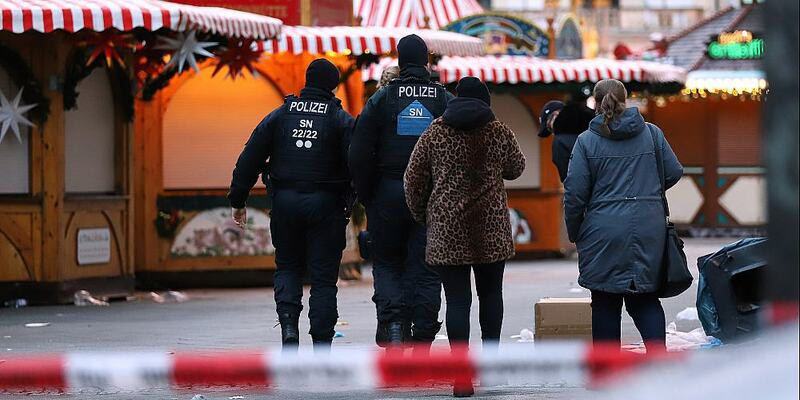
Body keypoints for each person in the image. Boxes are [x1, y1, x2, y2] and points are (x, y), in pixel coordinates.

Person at [405, 77, 525, 397]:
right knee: (490, 296)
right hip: (490, 227)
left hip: (447, 229)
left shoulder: (435, 132)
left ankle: (461, 378)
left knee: (457, 301)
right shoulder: (498, 131)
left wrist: (425, 216)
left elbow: (413, 180)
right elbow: (517, 168)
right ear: (485, 101)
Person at [228, 58, 354, 352]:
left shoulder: (281, 115)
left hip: (285, 203)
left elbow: (250, 157)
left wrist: (238, 199)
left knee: (288, 268)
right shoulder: (341, 119)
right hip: (327, 205)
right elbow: (358, 163)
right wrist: (358, 199)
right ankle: (322, 343)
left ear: (307, 81)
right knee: (323, 279)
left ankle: (288, 330)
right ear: (333, 86)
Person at [349, 34, 453, 351]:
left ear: (399, 61)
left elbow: (359, 151)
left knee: (388, 262)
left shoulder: (382, 99)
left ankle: (393, 327)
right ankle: (422, 335)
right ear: (426, 61)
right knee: (426, 267)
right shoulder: (443, 99)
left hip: (388, 192)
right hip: (431, 196)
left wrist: (367, 195)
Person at [563, 79, 683, 352]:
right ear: (626, 100)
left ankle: (607, 373)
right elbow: (674, 171)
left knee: (605, 300)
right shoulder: (652, 134)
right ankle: (658, 362)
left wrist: (575, 231)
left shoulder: (586, 141)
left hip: (602, 230)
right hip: (649, 226)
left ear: (595, 102)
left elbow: (574, 194)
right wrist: (648, 191)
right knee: (646, 298)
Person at [538, 100, 595, 183]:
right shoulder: (595, 127)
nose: (553, 133)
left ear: (555, 116)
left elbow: (570, 181)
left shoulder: (560, 142)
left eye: (550, 128)